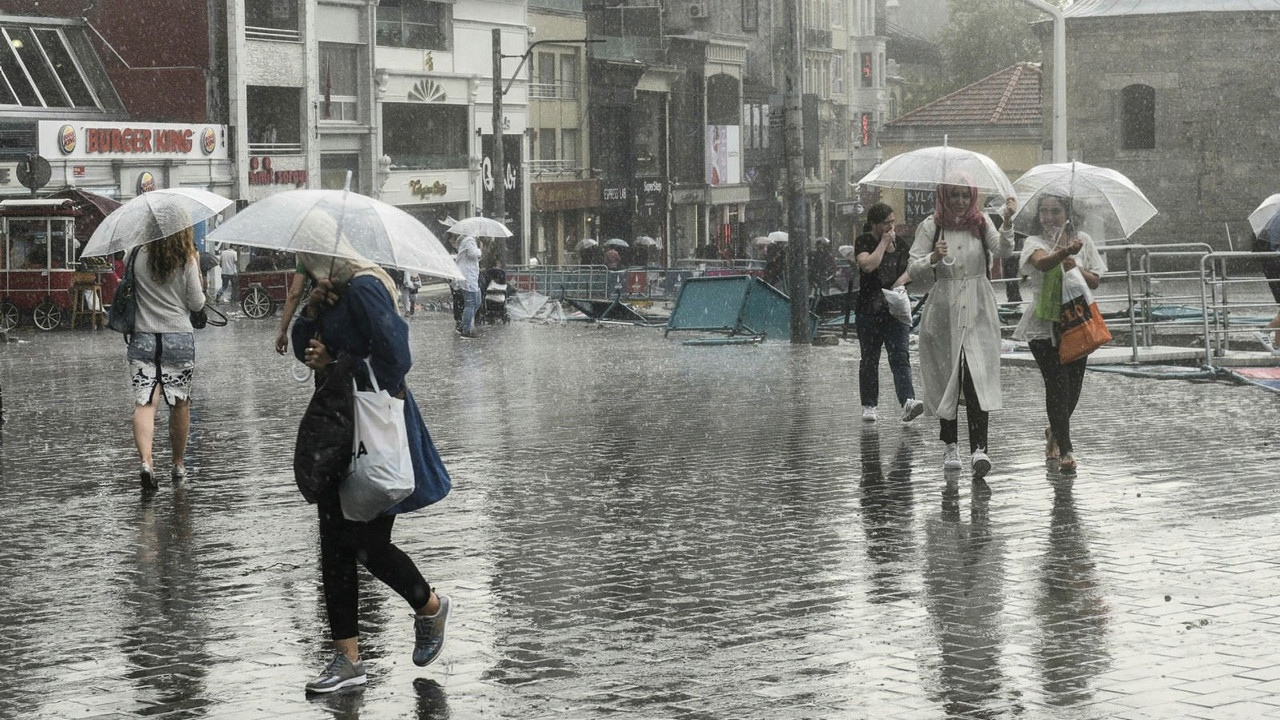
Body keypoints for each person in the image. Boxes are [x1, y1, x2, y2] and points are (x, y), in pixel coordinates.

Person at [290, 243, 451, 694]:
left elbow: (397, 360)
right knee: (335, 546)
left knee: (368, 545)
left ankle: (429, 605)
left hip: (372, 427)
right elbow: (307, 351)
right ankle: (348, 660)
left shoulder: (364, 288)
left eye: (306, 255)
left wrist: (338, 364)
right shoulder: (334, 289)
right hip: (337, 425)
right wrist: (311, 312)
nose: (302, 265)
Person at [907, 178, 1015, 479]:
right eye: (953, 194)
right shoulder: (931, 226)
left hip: (979, 305)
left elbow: (1004, 250)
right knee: (947, 375)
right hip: (945, 308)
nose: (959, 200)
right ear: (944, 195)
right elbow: (913, 267)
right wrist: (933, 257)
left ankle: (980, 447)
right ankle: (950, 444)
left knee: (978, 375)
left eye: (965, 195)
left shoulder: (981, 224)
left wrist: (1006, 223)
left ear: (973, 196)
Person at [1013, 194, 1106, 474]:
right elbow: (1042, 263)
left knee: (1073, 387)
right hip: (1043, 325)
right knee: (1057, 385)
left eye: (1056, 211)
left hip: (1076, 321)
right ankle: (1066, 449)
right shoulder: (1034, 242)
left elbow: (1097, 280)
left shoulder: (1083, 240)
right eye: (1044, 212)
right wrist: (1064, 253)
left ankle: (1054, 430)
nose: (1050, 217)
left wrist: (1075, 264)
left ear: (1067, 212)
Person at [129, 226, 207, 491]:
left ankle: (147, 462)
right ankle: (177, 464)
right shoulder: (185, 256)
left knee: (145, 402)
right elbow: (197, 303)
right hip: (178, 338)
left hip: (143, 336)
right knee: (179, 402)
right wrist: (196, 268)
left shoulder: (136, 254)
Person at [855, 203, 924, 424]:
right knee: (870, 357)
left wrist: (899, 282)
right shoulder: (864, 241)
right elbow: (868, 266)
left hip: (895, 310)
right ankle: (869, 405)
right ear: (875, 224)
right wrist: (883, 244)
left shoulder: (901, 244)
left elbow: (910, 271)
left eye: (893, 222)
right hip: (869, 309)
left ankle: (908, 401)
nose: (890, 227)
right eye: (886, 223)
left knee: (900, 355)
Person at [1252, 215, 1280, 352]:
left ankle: (1278, 346)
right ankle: (1265, 331)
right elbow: (1276, 243)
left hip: (1272, 263)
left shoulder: (1275, 217)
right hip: (1276, 263)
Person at [454, 235, 482, 338]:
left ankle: (464, 324)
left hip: (470, 277)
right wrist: (479, 250)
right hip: (468, 277)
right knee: (471, 303)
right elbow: (473, 254)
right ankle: (465, 331)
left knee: (477, 301)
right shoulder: (470, 240)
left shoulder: (468, 242)